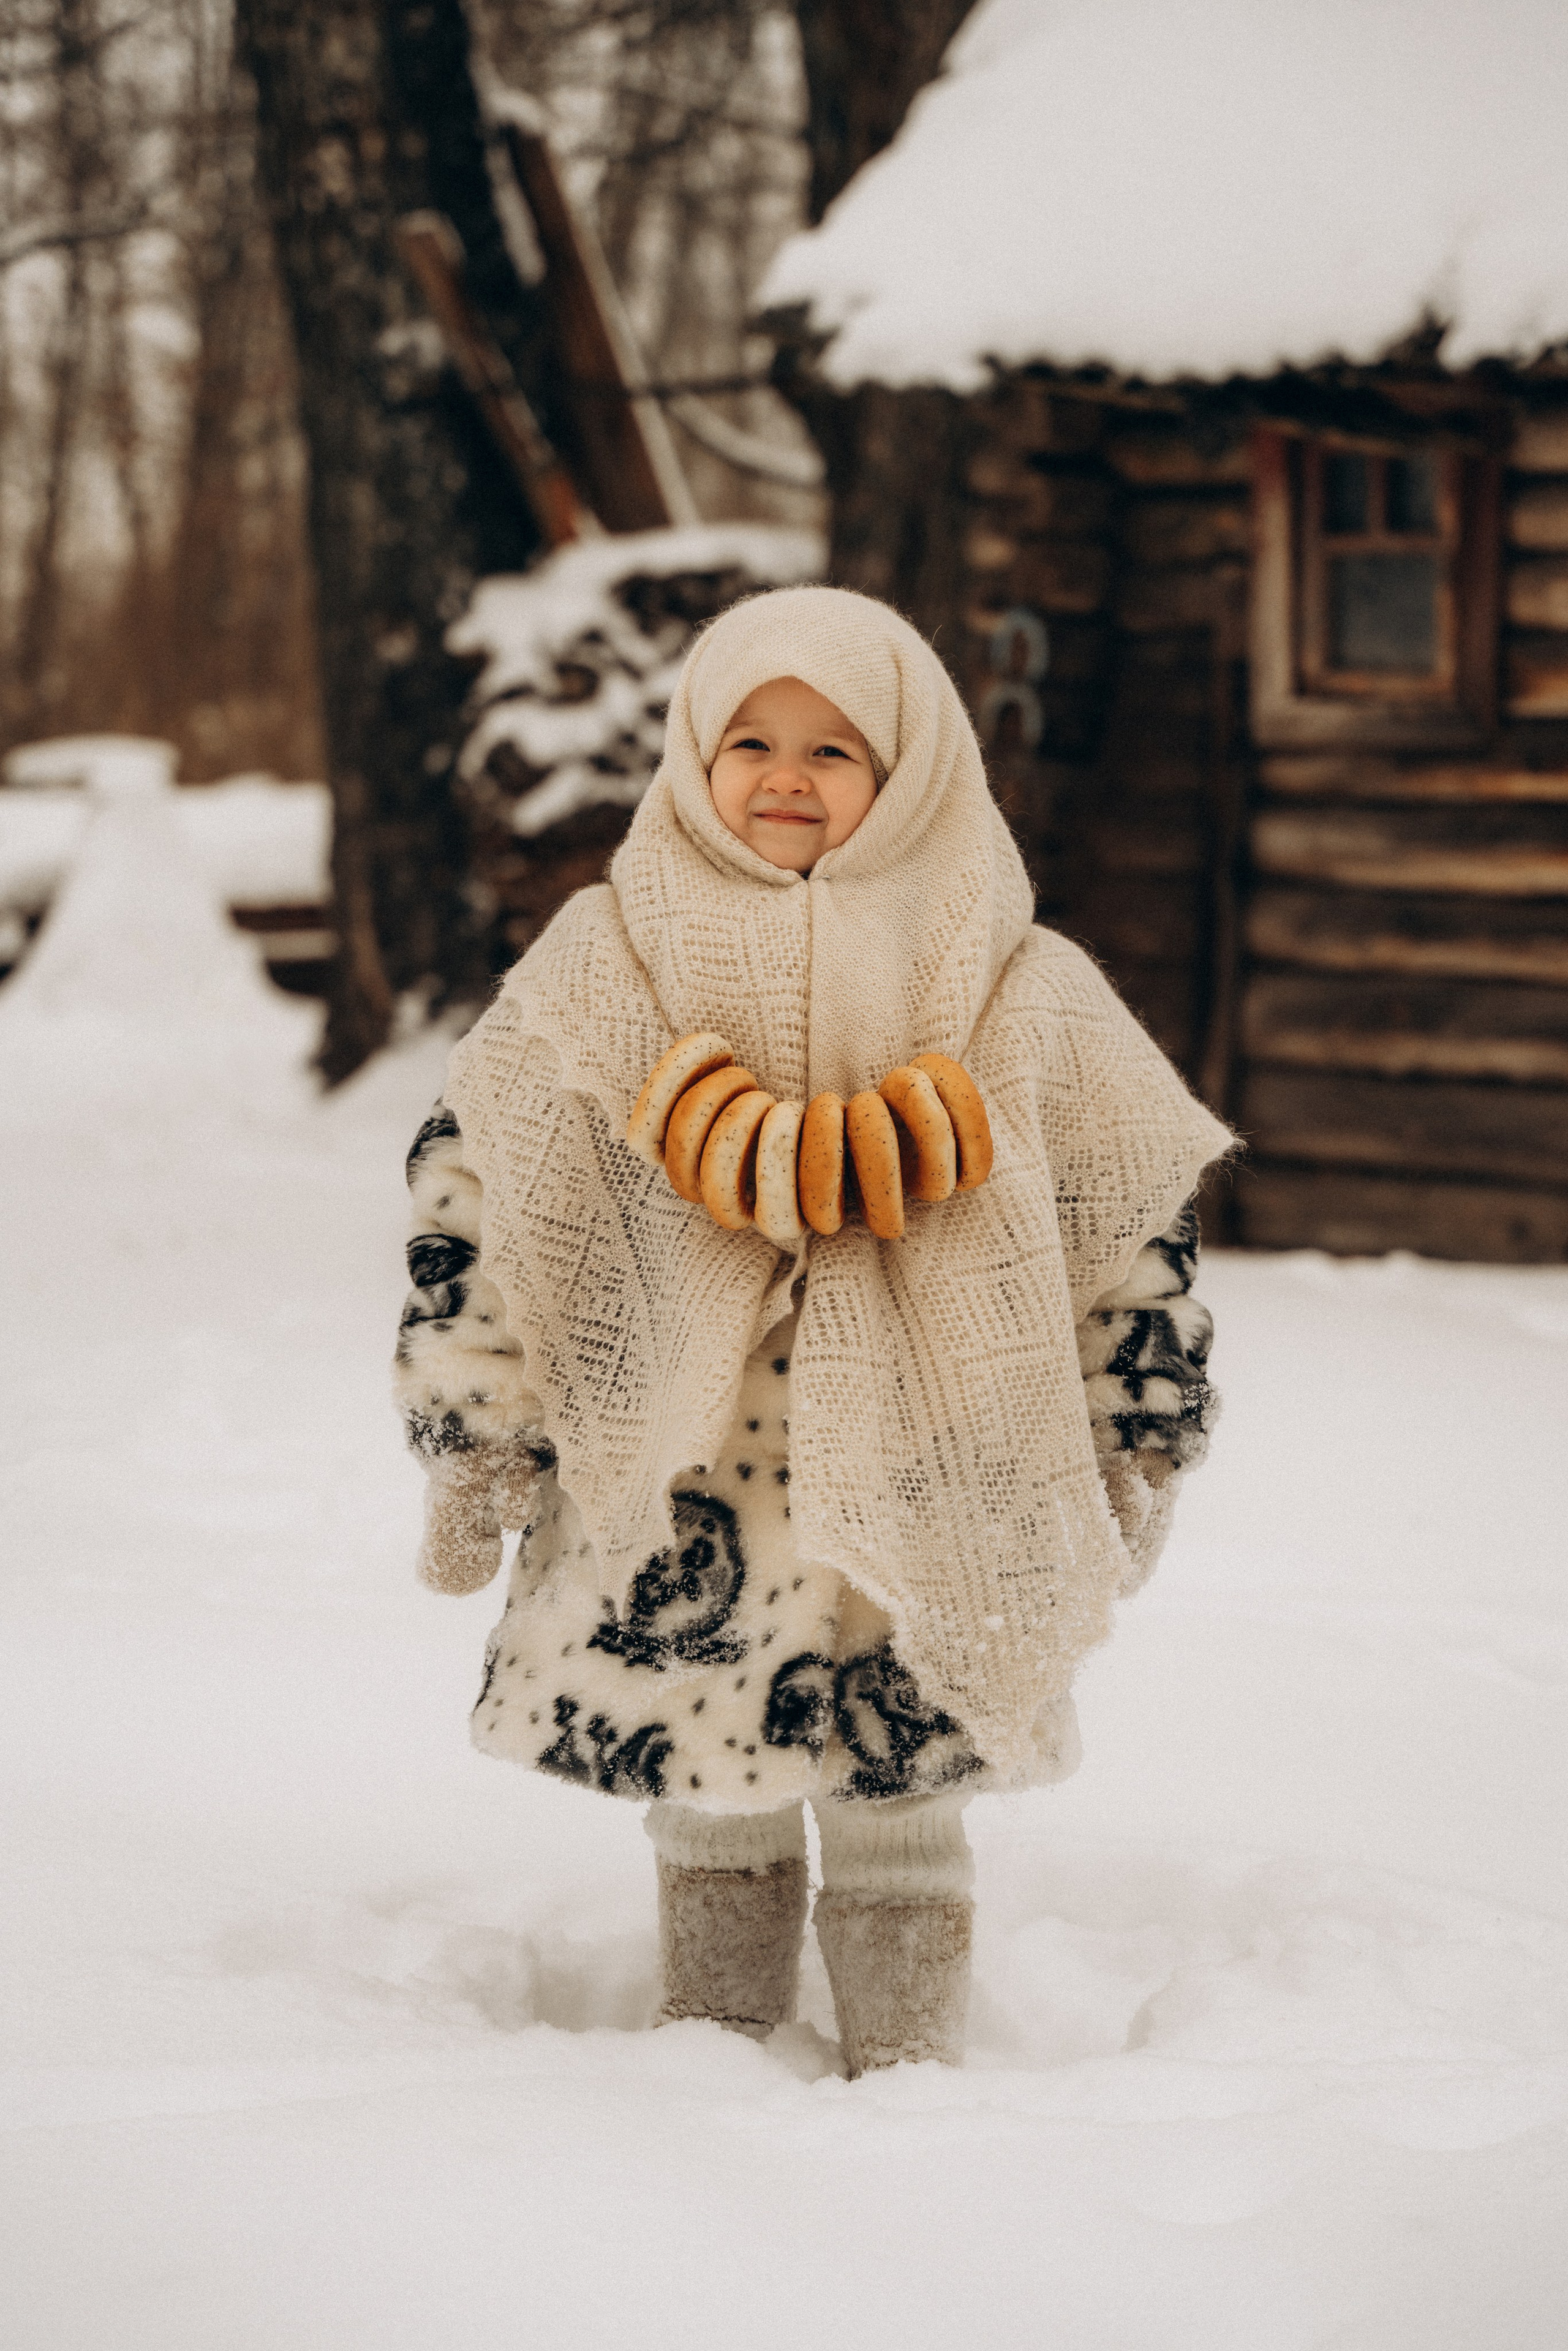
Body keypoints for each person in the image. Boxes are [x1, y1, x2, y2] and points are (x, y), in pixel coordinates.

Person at [393, 586, 1231, 2075]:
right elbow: (484, 1196)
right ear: (691, 757)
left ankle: (908, 2064)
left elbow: (1128, 1224)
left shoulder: (1017, 982)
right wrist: (476, 1422)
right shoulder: (602, 965)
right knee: (704, 1766)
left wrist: (1137, 1425)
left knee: (906, 1780)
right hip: (688, 1471)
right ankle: (712, 2047)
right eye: (750, 741)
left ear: (910, 771)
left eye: (834, 749)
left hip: (937, 1464)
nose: (785, 775)